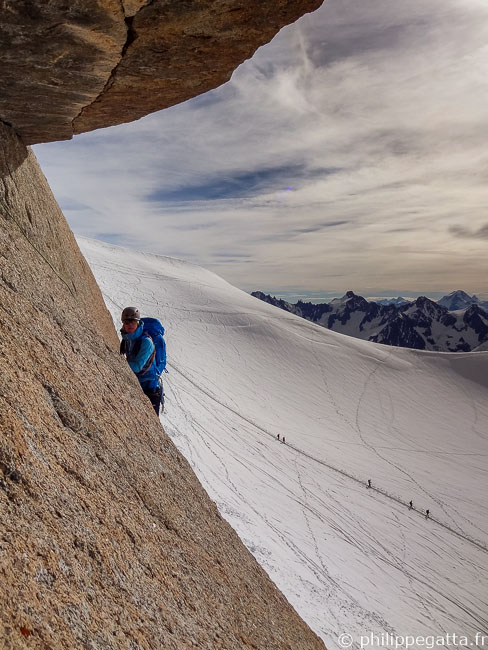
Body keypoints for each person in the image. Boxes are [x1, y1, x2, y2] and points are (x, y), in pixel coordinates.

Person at [120, 307, 164, 416]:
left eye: (133, 321)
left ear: (138, 323)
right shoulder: (127, 339)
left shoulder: (146, 342)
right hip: (136, 384)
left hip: (150, 389)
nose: (130, 324)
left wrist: (118, 363)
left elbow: (137, 367)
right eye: (127, 322)